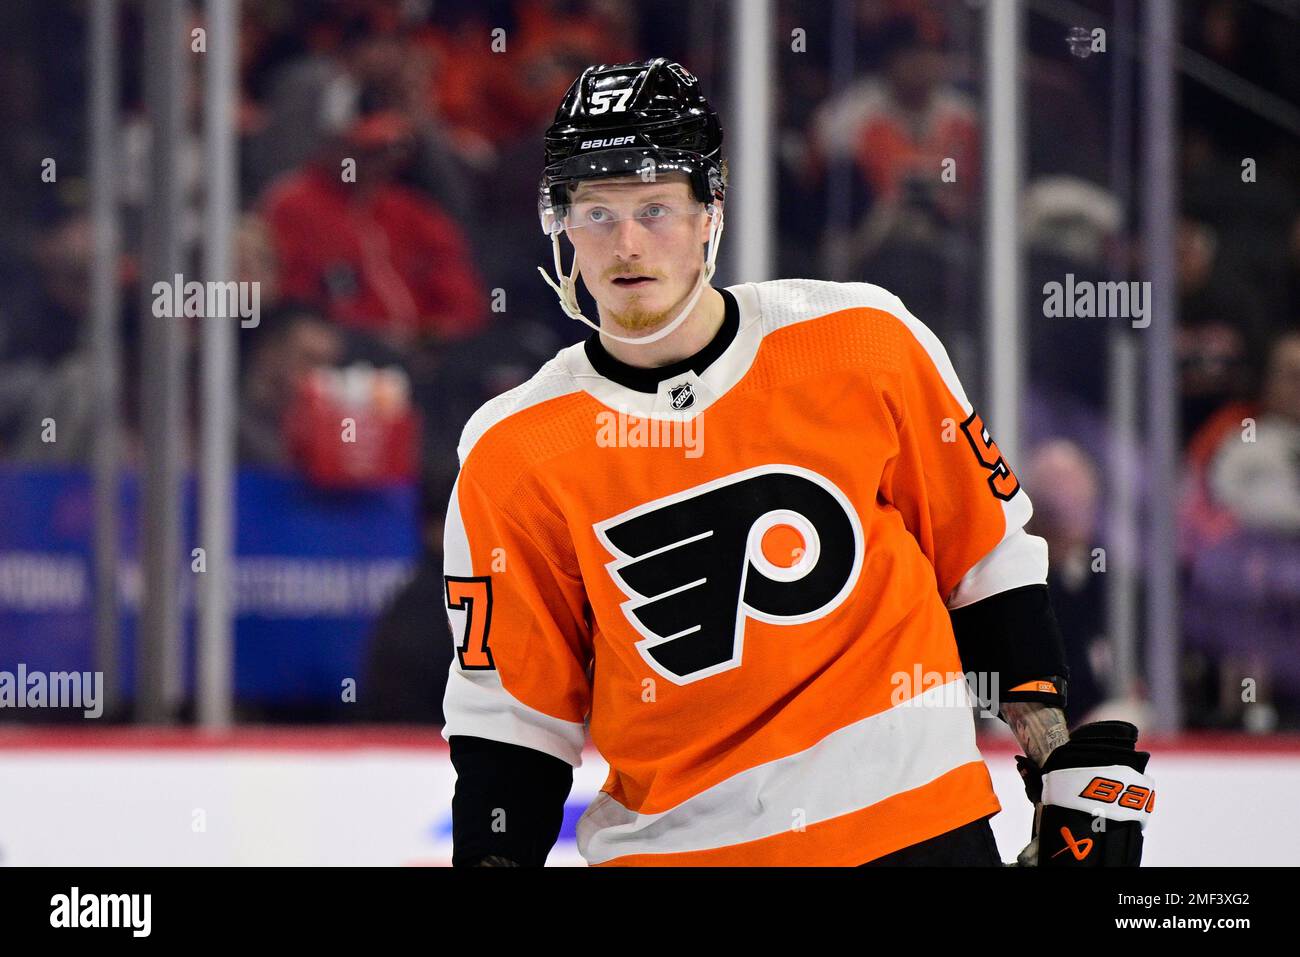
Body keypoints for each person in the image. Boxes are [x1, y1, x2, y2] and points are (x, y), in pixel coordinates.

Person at [440, 59, 1153, 867]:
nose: (626, 243)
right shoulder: (512, 448)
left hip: (916, 832)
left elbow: (983, 563)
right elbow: (516, 724)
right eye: (596, 211)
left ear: (711, 211)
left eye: (655, 209)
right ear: (560, 221)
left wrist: (1051, 766)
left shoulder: (862, 339)